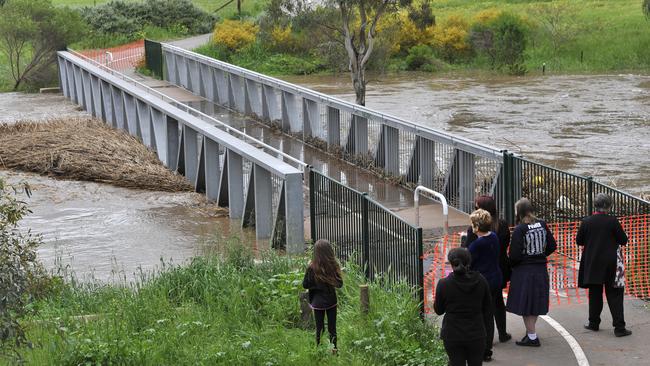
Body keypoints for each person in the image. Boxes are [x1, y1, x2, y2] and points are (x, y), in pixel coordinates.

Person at [576, 193, 631, 337]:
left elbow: (579, 241)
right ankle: (619, 328)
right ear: (609, 206)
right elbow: (623, 240)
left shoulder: (586, 221)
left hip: (593, 262)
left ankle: (593, 323)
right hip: (611, 263)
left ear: (595, 205)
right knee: (615, 294)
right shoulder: (612, 222)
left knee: (595, 294)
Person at [506, 198, 556, 347]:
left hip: (525, 271)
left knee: (525, 303)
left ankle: (532, 337)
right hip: (540, 269)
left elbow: (514, 255)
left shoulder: (520, 229)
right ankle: (531, 333)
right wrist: (540, 255)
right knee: (534, 302)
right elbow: (552, 245)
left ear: (519, 212)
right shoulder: (542, 224)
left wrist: (513, 265)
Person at [462, 196, 512, 344]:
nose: (475, 209)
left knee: (484, 308)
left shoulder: (474, 231)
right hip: (499, 269)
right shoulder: (501, 226)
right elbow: (505, 246)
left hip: (481, 274)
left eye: (477, 207)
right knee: (498, 303)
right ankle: (502, 333)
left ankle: (485, 341)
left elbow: (469, 255)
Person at [434, 247, 492, 366]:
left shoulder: (444, 284)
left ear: (451, 263)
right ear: (469, 262)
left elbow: (439, 310)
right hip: (476, 333)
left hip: (452, 334)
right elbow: (488, 309)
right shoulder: (481, 280)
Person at [466, 209, 502, 362]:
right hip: (495, 278)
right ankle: (487, 349)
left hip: (481, 282)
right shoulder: (493, 237)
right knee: (489, 315)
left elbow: (468, 262)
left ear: (476, 226)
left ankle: (480, 348)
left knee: (479, 316)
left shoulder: (476, 245)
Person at [302, 239, 343, 350]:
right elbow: (340, 284)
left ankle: (319, 349)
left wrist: (316, 286)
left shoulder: (311, 267)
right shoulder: (333, 265)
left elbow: (305, 285)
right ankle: (334, 350)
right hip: (331, 301)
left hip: (318, 303)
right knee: (332, 328)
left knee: (319, 328)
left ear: (316, 252)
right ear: (330, 251)